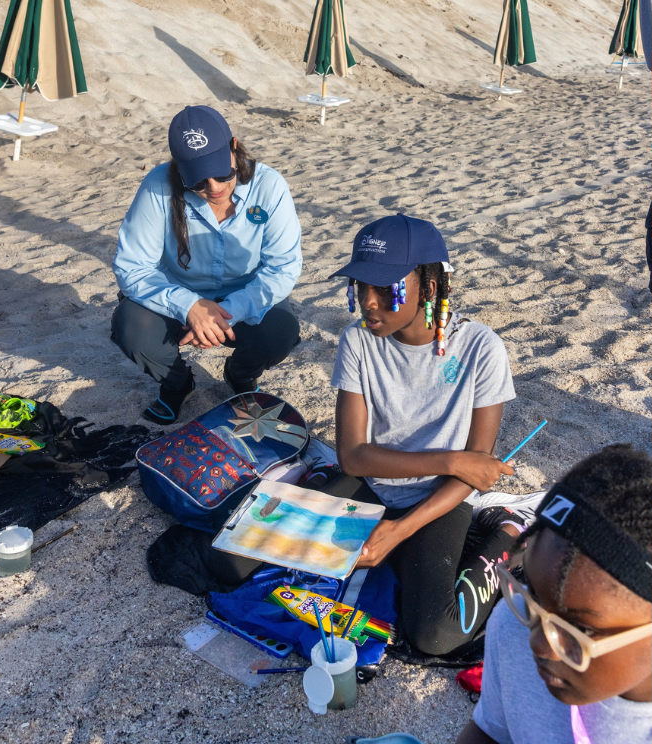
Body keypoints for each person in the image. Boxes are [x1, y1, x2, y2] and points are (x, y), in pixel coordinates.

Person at [196, 214, 528, 655]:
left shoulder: (481, 348)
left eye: (385, 288)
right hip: (369, 481)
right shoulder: (358, 341)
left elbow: (474, 473)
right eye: (359, 286)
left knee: (436, 635)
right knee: (229, 561)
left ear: (429, 288)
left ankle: (509, 532)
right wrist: (450, 460)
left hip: (439, 500)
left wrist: (401, 529)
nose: (368, 302)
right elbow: (353, 456)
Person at [111, 106, 301, 425]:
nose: (213, 187)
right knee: (131, 327)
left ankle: (240, 376)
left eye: (222, 172)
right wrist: (188, 306)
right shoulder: (157, 185)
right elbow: (131, 266)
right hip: (177, 298)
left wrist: (227, 312)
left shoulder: (269, 186)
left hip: (243, 298)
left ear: (234, 147)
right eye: (198, 180)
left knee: (280, 331)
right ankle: (177, 384)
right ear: (178, 168)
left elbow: (283, 267)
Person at [461, 446, 652, 744]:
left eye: (580, 629)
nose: (538, 644)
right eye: (534, 595)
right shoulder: (513, 626)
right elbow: (490, 733)